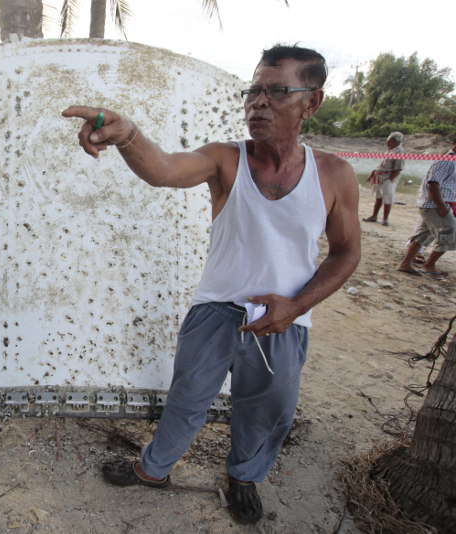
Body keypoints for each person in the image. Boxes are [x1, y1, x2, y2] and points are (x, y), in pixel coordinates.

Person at [63, 44, 361, 524]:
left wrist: (296, 305)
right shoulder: (227, 160)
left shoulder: (334, 174)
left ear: (312, 101)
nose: (258, 102)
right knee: (187, 399)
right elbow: (163, 170)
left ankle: (243, 476)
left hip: (286, 318)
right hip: (217, 309)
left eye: (277, 91)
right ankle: (153, 468)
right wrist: (129, 135)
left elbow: (347, 253)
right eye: (254, 91)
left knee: (268, 412)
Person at [396, 132, 456, 281]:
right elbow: (433, 184)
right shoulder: (446, 161)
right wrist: (442, 207)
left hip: (438, 205)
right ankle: (429, 266)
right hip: (435, 206)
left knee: (423, 235)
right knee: (449, 234)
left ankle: (405, 264)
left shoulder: (452, 161)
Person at [363, 131, 405, 226]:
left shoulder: (399, 152)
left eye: (389, 141)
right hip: (380, 177)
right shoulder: (390, 150)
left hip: (387, 178)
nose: (387, 143)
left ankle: (385, 219)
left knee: (387, 198)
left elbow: (398, 168)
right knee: (378, 197)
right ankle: (374, 216)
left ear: (395, 142)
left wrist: (390, 180)